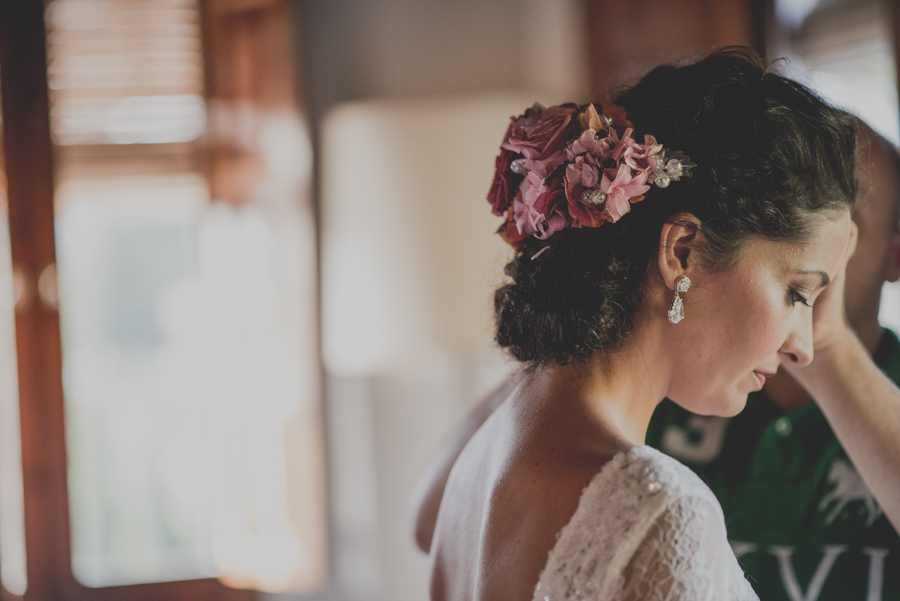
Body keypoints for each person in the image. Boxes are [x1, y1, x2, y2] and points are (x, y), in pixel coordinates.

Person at [417, 48, 867, 601]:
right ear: (683, 251)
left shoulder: (482, 457)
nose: (804, 345)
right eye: (797, 292)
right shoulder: (660, 511)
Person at [644, 122, 900, 601]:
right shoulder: (684, 367)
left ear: (895, 255)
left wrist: (828, 347)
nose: (810, 232)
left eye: (847, 221)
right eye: (793, 209)